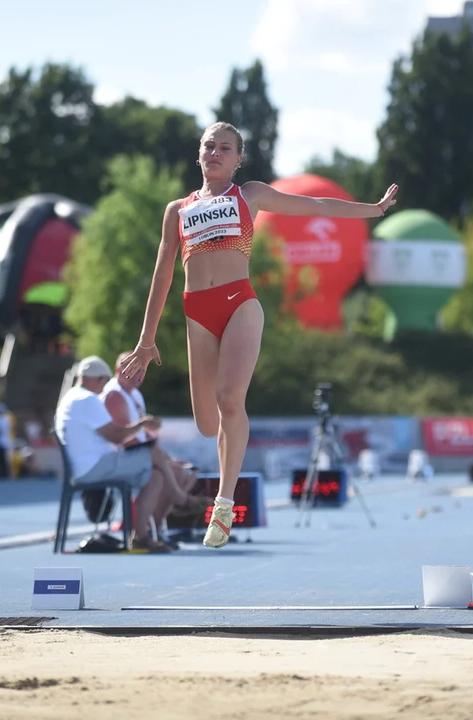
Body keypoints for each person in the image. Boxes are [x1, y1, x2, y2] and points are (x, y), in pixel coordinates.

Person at [118, 122, 398, 548]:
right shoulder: (178, 210)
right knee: (208, 424)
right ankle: (223, 490)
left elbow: (315, 205)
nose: (215, 152)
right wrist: (146, 339)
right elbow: (163, 274)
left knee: (231, 399)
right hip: (197, 313)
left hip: (239, 304)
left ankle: (224, 507)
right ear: (199, 153)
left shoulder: (249, 195)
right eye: (209, 146)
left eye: (224, 148)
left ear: (238, 159)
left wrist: (372, 210)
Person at [54, 355, 175, 553]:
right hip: (95, 466)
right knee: (153, 453)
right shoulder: (87, 399)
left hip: (90, 466)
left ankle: (140, 536)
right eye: (103, 381)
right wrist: (142, 425)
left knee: (156, 477)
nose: (104, 386)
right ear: (98, 379)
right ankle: (181, 500)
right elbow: (116, 436)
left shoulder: (71, 398)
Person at [102, 351, 211, 537]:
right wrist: (163, 459)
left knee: (188, 472)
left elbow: (143, 437)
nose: (137, 375)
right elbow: (123, 439)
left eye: (140, 371)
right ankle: (175, 505)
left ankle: (158, 528)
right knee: (169, 473)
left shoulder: (134, 395)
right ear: (118, 370)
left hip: (140, 452)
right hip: (118, 457)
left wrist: (163, 453)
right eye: (132, 370)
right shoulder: (114, 396)